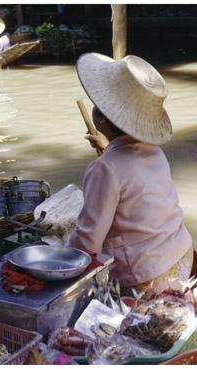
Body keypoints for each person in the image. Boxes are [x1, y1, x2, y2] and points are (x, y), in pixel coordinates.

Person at [66, 53, 193, 296]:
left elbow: (88, 239)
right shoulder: (154, 151)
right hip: (181, 255)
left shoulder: (105, 168)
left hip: (146, 276)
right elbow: (130, 174)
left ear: (101, 123)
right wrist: (108, 148)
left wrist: (63, 263)